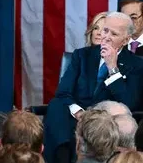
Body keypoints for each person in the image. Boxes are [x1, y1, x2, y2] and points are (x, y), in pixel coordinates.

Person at [43, 11, 143, 163]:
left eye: (114, 34)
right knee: (56, 105)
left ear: (125, 40)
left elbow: (130, 103)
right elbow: (63, 93)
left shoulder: (136, 64)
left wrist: (112, 68)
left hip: (108, 120)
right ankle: (61, 158)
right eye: (105, 30)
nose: (106, 36)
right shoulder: (82, 56)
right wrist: (79, 113)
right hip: (78, 117)